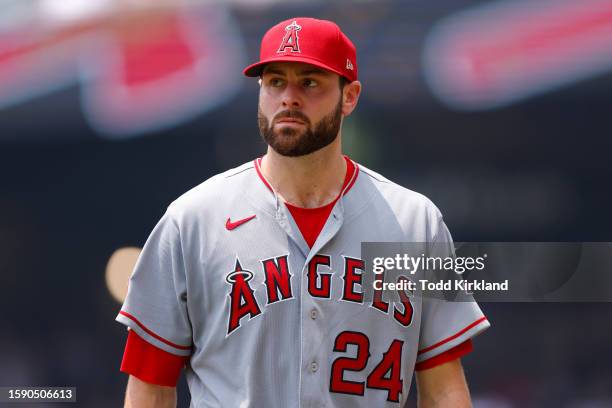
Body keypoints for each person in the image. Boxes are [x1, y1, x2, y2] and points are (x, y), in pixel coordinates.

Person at [116, 17, 490, 408]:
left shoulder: (415, 223)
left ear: (350, 96)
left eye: (309, 82)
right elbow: (150, 386)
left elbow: (444, 388)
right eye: (275, 81)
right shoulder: (192, 220)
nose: (289, 98)